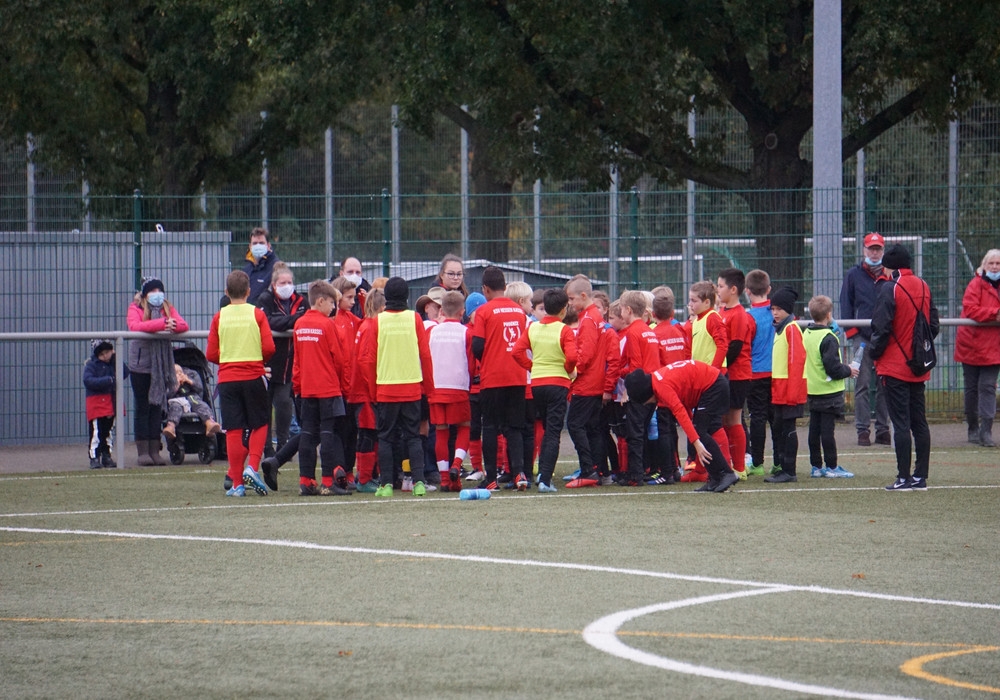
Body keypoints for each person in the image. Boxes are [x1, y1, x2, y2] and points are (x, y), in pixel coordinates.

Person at [870, 244, 940, 491]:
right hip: (918, 365)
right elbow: (933, 325)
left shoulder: (891, 288)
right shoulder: (923, 285)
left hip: (894, 365)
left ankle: (903, 477)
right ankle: (920, 477)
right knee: (919, 422)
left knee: (900, 423)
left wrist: (874, 353)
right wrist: (917, 347)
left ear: (889, 267)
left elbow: (881, 327)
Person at [358, 277, 435, 497]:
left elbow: (368, 360)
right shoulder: (414, 319)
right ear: (407, 297)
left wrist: (373, 391)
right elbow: (425, 355)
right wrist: (429, 388)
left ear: (387, 297)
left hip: (385, 388)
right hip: (411, 387)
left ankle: (386, 484)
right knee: (413, 437)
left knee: (385, 437)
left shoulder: (378, 321)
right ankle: (418, 483)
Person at [206, 270, 276, 497]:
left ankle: (237, 484)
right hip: (253, 375)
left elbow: (211, 353)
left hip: (228, 379)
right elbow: (269, 348)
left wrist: (229, 358)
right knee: (260, 423)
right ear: (248, 291)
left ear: (226, 292)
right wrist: (256, 358)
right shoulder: (257, 314)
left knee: (234, 430)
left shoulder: (219, 317)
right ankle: (252, 467)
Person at [624, 361, 740, 493]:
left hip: (714, 386)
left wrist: (696, 442)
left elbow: (679, 411)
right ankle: (716, 477)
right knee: (705, 430)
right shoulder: (657, 379)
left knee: (700, 432)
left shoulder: (661, 387)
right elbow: (684, 401)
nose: (648, 404)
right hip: (713, 384)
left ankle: (726, 473)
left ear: (645, 394)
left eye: (646, 402)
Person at [512, 288, 577, 492]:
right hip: (557, 383)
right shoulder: (564, 330)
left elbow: (516, 351)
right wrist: (568, 370)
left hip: (537, 384)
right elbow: (572, 357)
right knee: (553, 431)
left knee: (543, 428)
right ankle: (545, 479)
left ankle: (540, 473)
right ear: (564, 309)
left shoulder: (533, 328)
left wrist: (532, 366)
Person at [292, 280, 353, 497]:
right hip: (328, 389)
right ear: (320, 301)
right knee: (327, 434)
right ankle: (328, 481)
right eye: (331, 303)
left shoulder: (299, 324)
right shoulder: (328, 325)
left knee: (307, 434)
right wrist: (343, 386)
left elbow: (297, 360)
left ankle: (306, 481)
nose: (333, 307)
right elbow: (339, 359)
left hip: (307, 389)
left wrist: (298, 386)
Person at [471, 266, 529, 491]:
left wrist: (490, 358)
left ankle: (491, 478)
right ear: (504, 287)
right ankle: (519, 473)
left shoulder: (484, 311)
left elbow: (477, 345)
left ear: (485, 289)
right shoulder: (519, 311)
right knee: (514, 427)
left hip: (493, 378)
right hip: (517, 376)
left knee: (490, 427)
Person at [564, 275, 619, 488]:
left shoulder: (588, 319)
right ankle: (601, 470)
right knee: (593, 428)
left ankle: (589, 470)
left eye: (571, 298)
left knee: (575, 425)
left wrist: (571, 371)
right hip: (595, 383)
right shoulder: (594, 317)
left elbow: (584, 355)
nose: (570, 303)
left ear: (583, 296)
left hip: (586, 384)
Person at [127, 276, 189, 466]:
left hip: (160, 367)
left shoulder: (167, 308)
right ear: (145, 294)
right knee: (143, 407)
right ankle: (143, 452)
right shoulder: (135, 308)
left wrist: (172, 325)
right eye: (152, 291)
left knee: (156, 407)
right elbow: (135, 326)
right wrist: (162, 324)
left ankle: (155, 450)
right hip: (140, 367)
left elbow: (183, 325)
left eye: (159, 291)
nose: (157, 294)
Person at [839, 232, 891, 446]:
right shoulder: (853, 274)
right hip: (861, 339)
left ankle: (883, 429)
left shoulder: (890, 274)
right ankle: (862, 430)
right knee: (861, 385)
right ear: (864, 250)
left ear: (883, 250)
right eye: (871, 248)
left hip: (886, 338)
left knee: (885, 385)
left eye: (878, 249)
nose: (874, 252)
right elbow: (846, 304)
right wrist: (853, 333)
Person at [255, 263, 308, 464]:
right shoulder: (265, 299)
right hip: (268, 364)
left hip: (289, 365)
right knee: (265, 406)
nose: (287, 286)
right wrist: (293, 320)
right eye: (282, 282)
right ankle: (267, 448)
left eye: (289, 282)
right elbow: (268, 322)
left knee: (285, 404)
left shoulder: (301, 300)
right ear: (274, 284)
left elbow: (307, 319)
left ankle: (283, 447)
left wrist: (291, 321)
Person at [803, 296, 858, 478]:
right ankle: (832, 466)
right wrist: (848, 370)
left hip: (812, 389)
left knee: (814, 430)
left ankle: (816, 466)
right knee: (827, 431)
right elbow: (833, 368)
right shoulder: (828, 338)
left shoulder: (807, 334)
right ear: (828, 315)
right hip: (828, 391)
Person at [617, 290, 667, 486]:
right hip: (653, 384)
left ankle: (635, 475)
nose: (620, 313)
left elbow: (636, 366)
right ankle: (646, 470)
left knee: (635, 433)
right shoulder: (648, 330)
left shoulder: (633, 332)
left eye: (621, 309)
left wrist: (625, 385)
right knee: (644, 431)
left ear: (628, 310)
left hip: (641, 387)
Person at [427, 290, 475, 492]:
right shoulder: (466, 332)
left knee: (441, 431)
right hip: (458, 387)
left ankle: (445, 479)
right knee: (464, 427)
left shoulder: (432, 331)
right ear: (462, 312)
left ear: (442, 310)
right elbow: (471, 363)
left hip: (436, 387)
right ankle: (456, 464)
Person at [954, 249, 1000, 447]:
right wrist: (995, 314)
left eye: (998, 264)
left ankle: (986, 431)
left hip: (994, 347)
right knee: (971, 389)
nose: (995, 267)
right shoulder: (975, 284)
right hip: (971, 345)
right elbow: (971, 309)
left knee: (988, 387)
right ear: (984, 264)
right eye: (992, 263)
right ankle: (973, 427)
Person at [764, 287, 807, 484]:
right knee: (780, 427)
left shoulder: (791, 329)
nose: (775, 313)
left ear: (788, 309)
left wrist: (792, 392)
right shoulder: (780, 329)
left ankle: (790, 470)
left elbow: (796, 361)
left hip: (790, 390)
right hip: (780, 389)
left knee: (788, 428)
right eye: (773, 309)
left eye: (779, 309)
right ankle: (783, 467)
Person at [716, 268, 753, 478]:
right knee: (723, 420)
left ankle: (739, 467)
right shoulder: (722, 311)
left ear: (733, 289)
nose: (718, 290)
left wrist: (718, 366)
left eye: (721, 286)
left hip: (738, 375)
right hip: (726, 374)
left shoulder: (739, 314)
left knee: (733, 419)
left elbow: (735, 347)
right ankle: (729, 464)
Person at [744, 270, 775, 476]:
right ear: (768, 289)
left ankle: (757, 462)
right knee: (776, 418)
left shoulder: (748, 317)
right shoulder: (777, 312)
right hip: (776, 373)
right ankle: (779, 461)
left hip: (755, 373)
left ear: (747, 291)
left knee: (757, 418)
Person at [83, 339, 128, 469]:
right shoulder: (91, 365)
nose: (105, 356)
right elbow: (88, 380)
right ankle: (94, 457)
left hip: (111, 402)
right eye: (101, 354)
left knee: (108, 431)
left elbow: (125, 372)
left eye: (107, 352)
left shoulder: (114, 363)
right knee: (96, 431)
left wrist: (116, 359)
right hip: (97, 403)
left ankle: (106, 455)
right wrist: (107, 380)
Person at [162, 364, 222, 440]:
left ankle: (209, 423)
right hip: (176, 399)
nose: (179, 374)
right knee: (174, 408)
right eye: (176, 372)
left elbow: (200, 389)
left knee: (200, 405)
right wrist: (176, 385)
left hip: (191, 396)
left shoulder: (191, 374)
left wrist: (189, 381)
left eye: (180, 372)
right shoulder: (168, 379)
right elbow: (166, 395)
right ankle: (171, 426)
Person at [243, 227, 281, 304]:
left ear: (268, 245)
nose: (258, 246)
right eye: (255, 243)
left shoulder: (277, 267)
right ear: (250, 246)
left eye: (261, 243)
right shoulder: (246, 269)